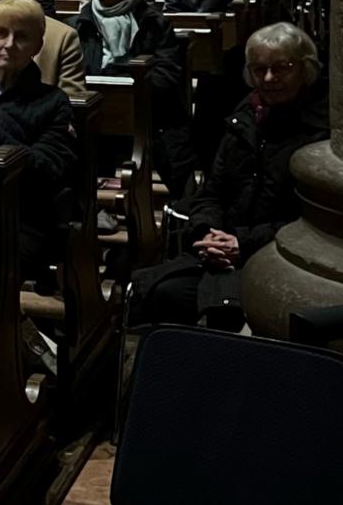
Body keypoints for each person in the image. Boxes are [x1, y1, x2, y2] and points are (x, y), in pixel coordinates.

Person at [132, 23, 327, 330]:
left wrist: (241, 243)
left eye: (282, 68)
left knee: (195, 303)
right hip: (224, 250)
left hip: (282, 258)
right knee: (156, 292)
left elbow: (313, 221)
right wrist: (208, 232)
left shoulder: (321, 132)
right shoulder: (244, 118)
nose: (269, 79)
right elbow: (212, 191)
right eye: (259, 69)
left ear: (306, 69)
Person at [0, 0, 79, 278]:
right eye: (1, 33)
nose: (9, 44)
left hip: (21, 216)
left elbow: (50, 166)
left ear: (37, 46)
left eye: (22, 37)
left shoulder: (53, 102)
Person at [77, 0, 191, 182]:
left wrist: (127, 91)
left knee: (175, 150)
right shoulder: (79, 24)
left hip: (148, 110)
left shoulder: (154, 23)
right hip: (93, 112)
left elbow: (166, 74)